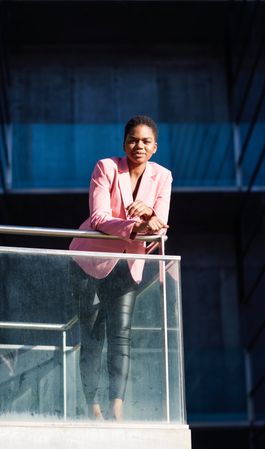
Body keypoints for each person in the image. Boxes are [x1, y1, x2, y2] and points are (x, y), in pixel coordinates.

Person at [69, 115, 172, 421]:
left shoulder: (163, 177)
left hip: (129, 266)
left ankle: (117, 407)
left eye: (145, 141)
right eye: (133, 139)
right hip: (89, 262)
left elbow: (160, 227)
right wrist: (135, 223)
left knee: (121, 334)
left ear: (154, 147)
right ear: (124, 142)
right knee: (92, 335)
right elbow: (99, 218)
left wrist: (151, 213)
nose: (138, 145)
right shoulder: (106, 168)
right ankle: (92, 407)